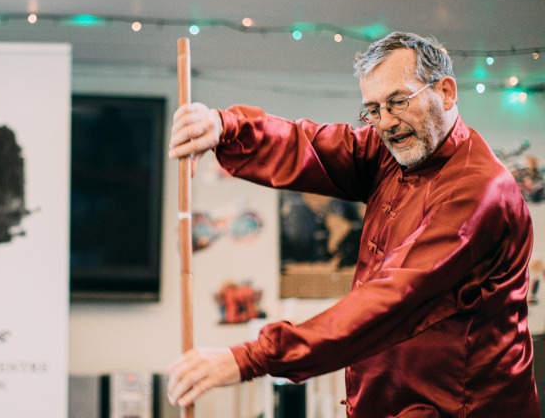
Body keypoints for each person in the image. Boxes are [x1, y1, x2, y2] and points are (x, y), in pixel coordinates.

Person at [166, 32, 540, 417]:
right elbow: (313, 146)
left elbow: (394, 298)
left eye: (398, 101)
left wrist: (250, 358)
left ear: (445, 92)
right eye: (373, 110)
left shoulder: (478, 190)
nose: (386, 123)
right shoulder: (394, 151)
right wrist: (224, 126)